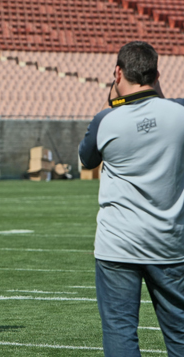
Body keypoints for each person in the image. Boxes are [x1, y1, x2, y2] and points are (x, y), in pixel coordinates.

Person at [79, 41, 184, 356]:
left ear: (117, 72)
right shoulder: (179, 111)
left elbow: (86, 161)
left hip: (118, 243)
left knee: (120, 332)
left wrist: (116, 101)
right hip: (170, 242)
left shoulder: (105, 120)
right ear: (156, 74)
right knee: (180, 333)